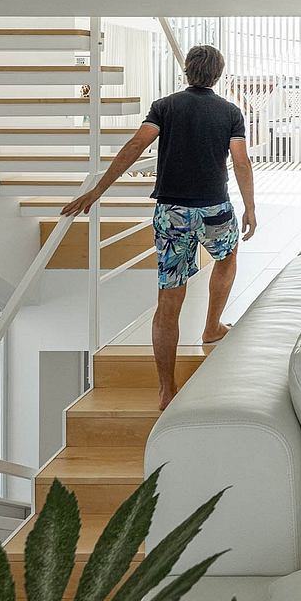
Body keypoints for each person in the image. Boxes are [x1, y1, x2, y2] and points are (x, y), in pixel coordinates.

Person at [61, 43, 256, 410]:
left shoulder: (165, 107)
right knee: (227, 257)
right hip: (215, 208)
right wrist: (250, 207)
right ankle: (212, 326)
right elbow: (241, 162)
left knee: (170, 298)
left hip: (172, 214)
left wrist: (98, 190)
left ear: (187, 71)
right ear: (218, 74)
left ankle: (167, 389)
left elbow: (137, 144)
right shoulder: (230, 112)